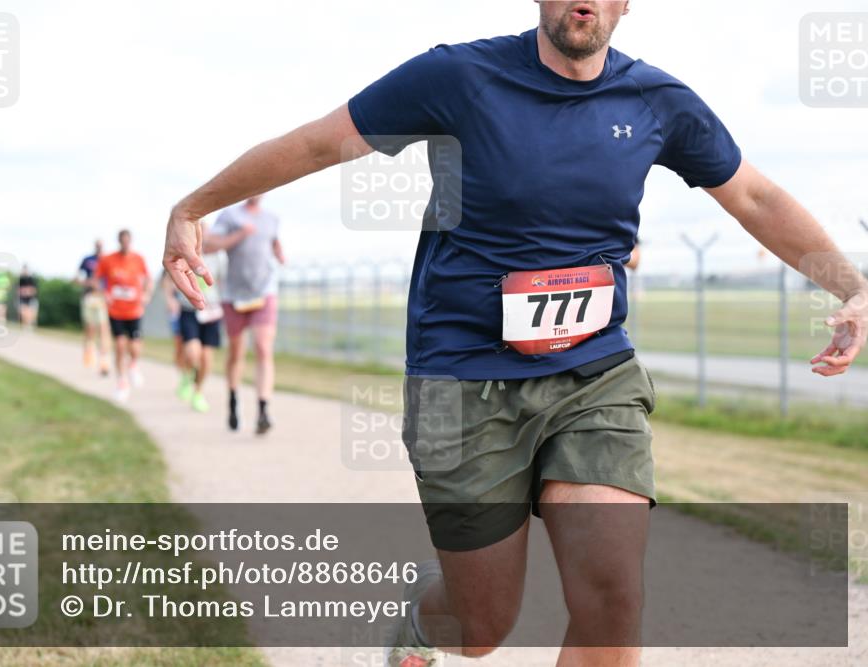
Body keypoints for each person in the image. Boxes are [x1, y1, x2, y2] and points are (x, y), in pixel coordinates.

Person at [161, 2, 868, 664]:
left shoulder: (658, 102)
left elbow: (755, 195)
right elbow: (320, 142)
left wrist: (852, 285)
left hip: (594, 376)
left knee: (613, 595)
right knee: (480, 627)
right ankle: (418, 625)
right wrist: (195, 207)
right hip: (462, 380)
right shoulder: (458, 77)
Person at [204, 196, 283, 434]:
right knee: (236, 352)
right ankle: (233, 399)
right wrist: (239, 235)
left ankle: (263, 410)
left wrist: (280, 253)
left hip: (264, 290)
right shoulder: (229, 216)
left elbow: (273, 243)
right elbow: (208, 245)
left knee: (262, 348)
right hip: (234, 295)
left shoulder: (272, 218)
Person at [162, 240, 224, 413]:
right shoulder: (185, 254)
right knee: (192, 352)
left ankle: (198, 392)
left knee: (206, 357)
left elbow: (223, 282)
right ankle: (187, 377)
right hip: (189, 309)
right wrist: (170, 299)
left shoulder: (219, 258)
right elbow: (168, 279)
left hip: (211, 311)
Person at [95, 229, 153, 402]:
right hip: (116, 310)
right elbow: (97, 279)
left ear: (131, 241)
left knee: (134, 347)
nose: (125, 244)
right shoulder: (108, 259)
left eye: (128, 241)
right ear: (119, 242)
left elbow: (148, 279)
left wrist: (146, 294)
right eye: (123, 241)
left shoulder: (138, 259)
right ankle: (122, 382)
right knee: (120, 345)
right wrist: (104, 293)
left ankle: (133, 365)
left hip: (134, 309)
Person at [76, 241, 111, 375]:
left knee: (103, 328)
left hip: (102, 298)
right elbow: (77, 277)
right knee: (90, 328)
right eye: (97, 246)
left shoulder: (108, 260)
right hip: (89, 297)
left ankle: (104, 361)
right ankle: (89, 350)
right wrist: (88, 283)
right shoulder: (87, 260)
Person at [18, 264, 39, 330]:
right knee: (24, 313)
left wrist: (25, 291)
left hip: (31, 299)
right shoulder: (20, 279)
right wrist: (26, 291)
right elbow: (19, 291)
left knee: (31, 315)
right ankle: (26, 328)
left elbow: (33, 291)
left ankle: (30, 327)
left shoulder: (32, 279)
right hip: (23, 299)